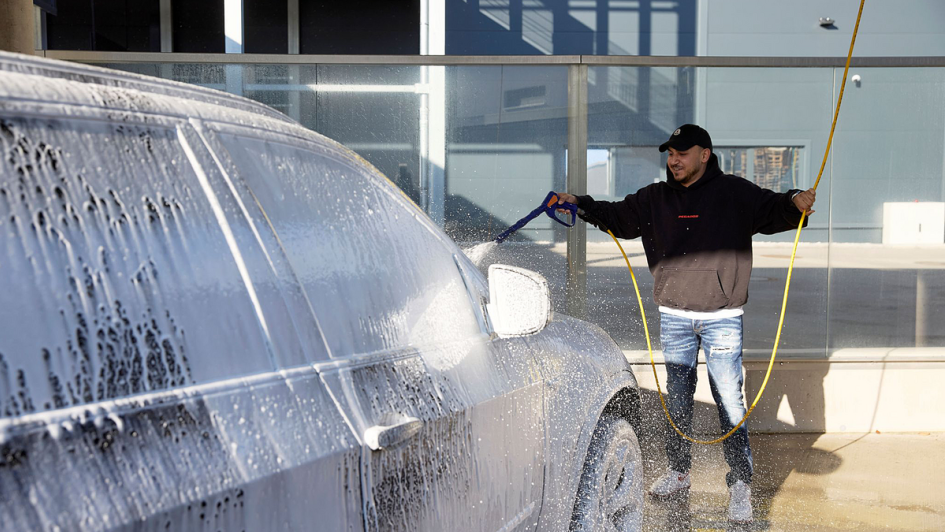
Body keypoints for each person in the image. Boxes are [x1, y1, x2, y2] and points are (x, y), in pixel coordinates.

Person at [556, 124, 815, 524]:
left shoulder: (734, 192)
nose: (673, 160)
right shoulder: (654, 198)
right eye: (670, 154)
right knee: (677, 401)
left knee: (730, 400)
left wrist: (796, 200)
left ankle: (740, 485)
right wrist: (581, 203)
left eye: (681, 152)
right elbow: (617, 217)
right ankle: (679, 472)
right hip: (674, 315)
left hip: (722, 318)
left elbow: (775, 207)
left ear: (704, 154)